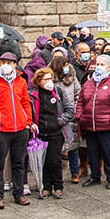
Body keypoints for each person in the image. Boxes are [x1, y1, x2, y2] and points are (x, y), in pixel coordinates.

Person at [0, 50, 33, 208]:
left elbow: (25, 102)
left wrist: (28, 122)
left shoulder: (20, 82)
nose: (6, 65)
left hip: (20, 129)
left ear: (15, 65)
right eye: (3, 62)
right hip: (1, 130)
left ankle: (19, 193)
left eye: (9, 63)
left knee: (19, 163)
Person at [75, 53, 110, 190]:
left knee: (109, 153)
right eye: (97, 64)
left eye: (102, 65)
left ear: (109, 67)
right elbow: (80, 100)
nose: (98, 67)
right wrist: (80, 115)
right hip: (91, 126)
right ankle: (95, 176)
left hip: (108, 126)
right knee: (92, 153)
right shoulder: (88, 83)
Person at [29, 66, 74, 199]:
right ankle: (46, 186)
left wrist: (59, 121)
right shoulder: (33, 95)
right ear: (39, 81)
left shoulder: (58, 91)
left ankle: (58, 186)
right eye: (46, 79)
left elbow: (69, 110)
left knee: (54, 160)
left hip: (56, 132)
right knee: (43, 162)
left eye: (51, 78)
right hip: (40, 133)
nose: (49, 82)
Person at [48, 49, 81, 183]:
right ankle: (55, 177)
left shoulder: (72, 78)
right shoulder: (51, 81)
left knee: (73, 146)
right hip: (55, 118)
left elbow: (78, 94)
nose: (67, 67)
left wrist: (74, 110)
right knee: (56, 148)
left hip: (71, 117)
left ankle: (75, 172)